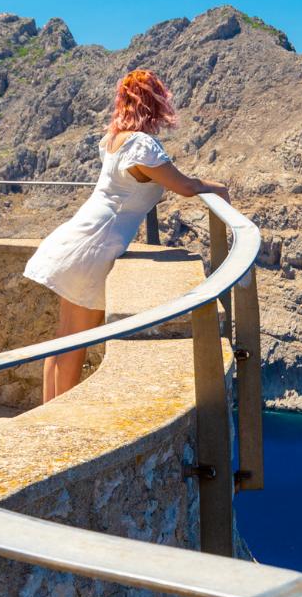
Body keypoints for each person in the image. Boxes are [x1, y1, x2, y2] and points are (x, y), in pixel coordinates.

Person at [23, 69, 230, 401]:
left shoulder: (114, 139)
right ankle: (58, 423)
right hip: (94, 247)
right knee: (75, 343)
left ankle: (45, 415)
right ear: (155, 103)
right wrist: (218, 189)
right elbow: (186, 187)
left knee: (63, 339)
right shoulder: (141, 144)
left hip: (79, 237)